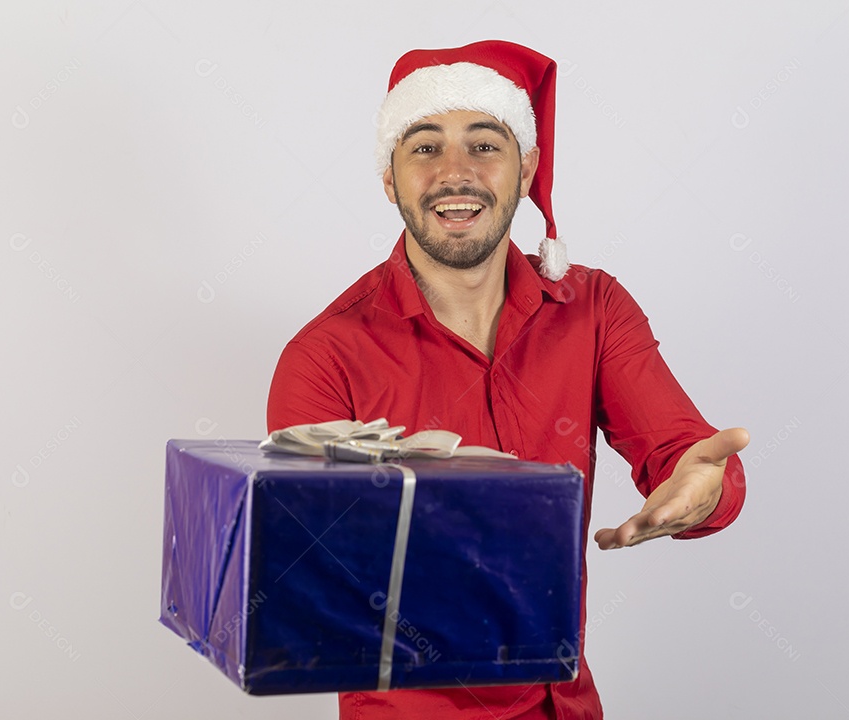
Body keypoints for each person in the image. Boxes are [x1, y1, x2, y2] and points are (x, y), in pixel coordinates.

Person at [267, 39, 748, 720]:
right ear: (389, 179)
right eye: (425, 147)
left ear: (526, 171)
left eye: (485, 146)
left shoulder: (594, 309)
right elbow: (315, 591)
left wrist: (703, 487)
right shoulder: (325, 356)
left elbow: (686, 455)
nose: (454, 172)